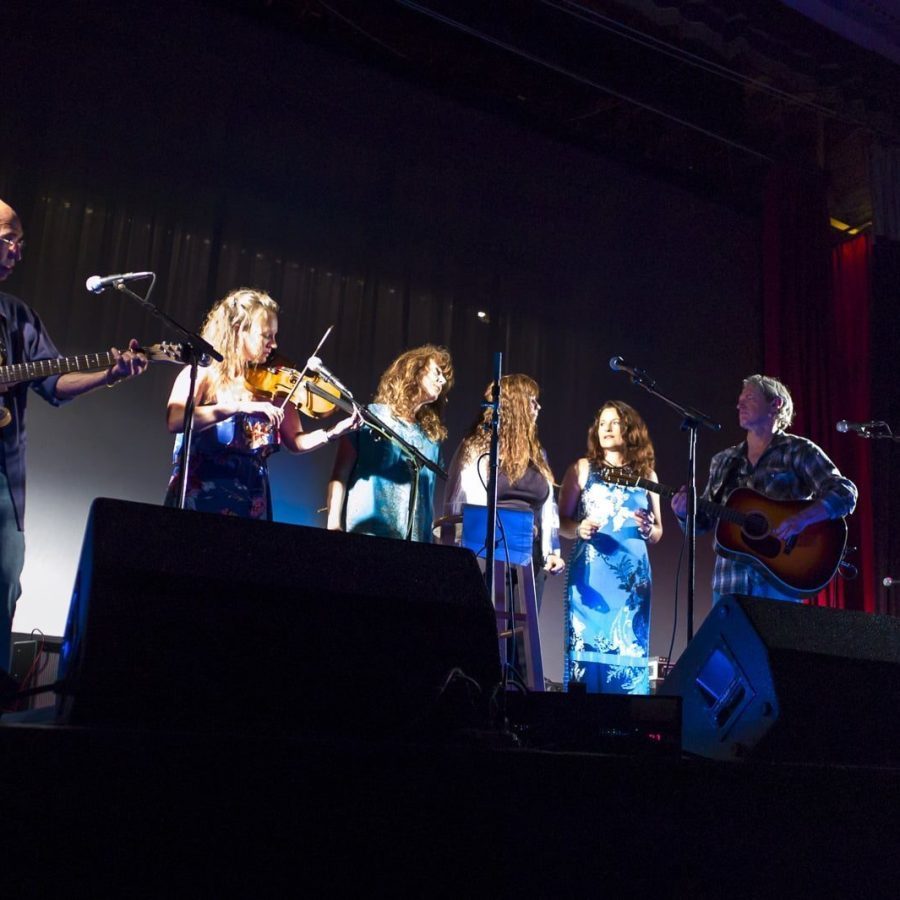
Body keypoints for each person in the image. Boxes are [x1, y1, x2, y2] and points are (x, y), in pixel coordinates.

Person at [0, 198, 148, 673]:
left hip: (4, 478)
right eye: (8, 239)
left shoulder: (18, 318)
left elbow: (53, 382)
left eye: (20, 244)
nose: (17, 252)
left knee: (4, 582)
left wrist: (109, 375)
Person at [164, 288, 360, 519]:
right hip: (199, 495)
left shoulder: (270, 384)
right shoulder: (202, 374)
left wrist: (333, 432)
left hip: (252, 497)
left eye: (274, 336)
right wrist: (238, 407)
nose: (274, 344)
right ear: (238, 331)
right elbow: (176, 419)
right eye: (266, 335)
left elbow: (296, 441)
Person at [671, 374, 858, 604]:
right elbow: (703, 523)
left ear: (775, 404)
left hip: (780, 582)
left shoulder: (797, 450)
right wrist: (683, 513)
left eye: (749, 397)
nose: (739, 404)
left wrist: (801, 519)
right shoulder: (725, 460)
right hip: (730, 583)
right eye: (740, 399)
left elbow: (845, 492)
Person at [558, 401, 662, 695]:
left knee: (628, 658)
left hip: (633, 584)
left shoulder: (648, 476)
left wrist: (647, 528)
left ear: (629, 429)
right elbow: (560, 522)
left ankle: (625, 732)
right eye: (602, 423)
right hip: (592, 579)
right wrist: (578, 528)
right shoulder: (582, 469)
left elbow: (657, 532)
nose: (606, 429)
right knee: (586, 661)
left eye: (614, 423)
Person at [442, 374, 565, 586]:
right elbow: (457, 502)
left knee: (521, 618)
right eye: (531, 400)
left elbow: (548, 508)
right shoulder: (477, 448)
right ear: (514, 404)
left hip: (529, 559)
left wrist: (552, 552)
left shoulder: (537, 454)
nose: (539, 407)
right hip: (486, 553)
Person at [326, 345, 452, 541]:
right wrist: (333, 525)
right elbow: (340, 474)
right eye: (437, 372)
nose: (442, 381)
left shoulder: (430, 438)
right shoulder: (370, 416)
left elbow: (428, 499)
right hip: (368, 535)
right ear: (414, 369)